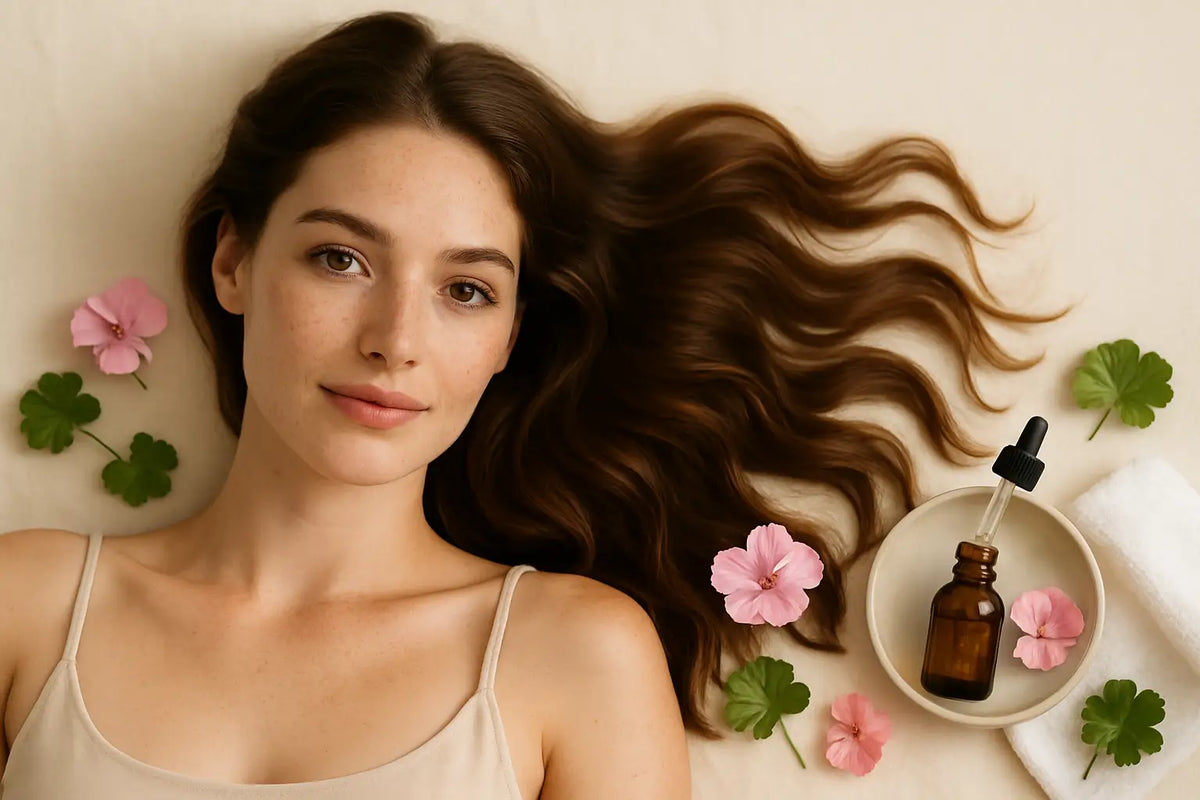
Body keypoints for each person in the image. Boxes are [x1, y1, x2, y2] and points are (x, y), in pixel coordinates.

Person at [0, 9, 1070, 799]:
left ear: (511, 331)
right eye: (338, 257)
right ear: (233, 260)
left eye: (465, 289)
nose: (395, 339)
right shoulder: (30, 603)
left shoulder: (573, 653)